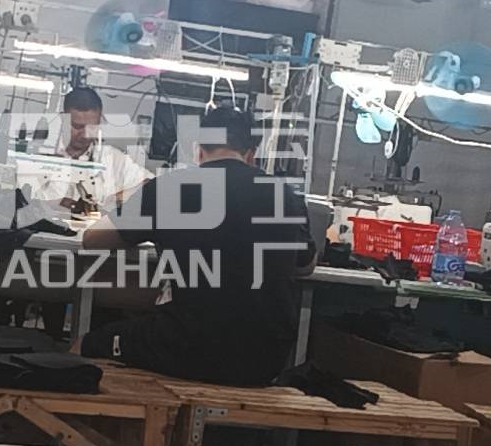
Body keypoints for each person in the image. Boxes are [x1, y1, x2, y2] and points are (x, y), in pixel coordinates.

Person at [76, 105, 315, 386]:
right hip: (266, 359)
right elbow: (306, 265)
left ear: (198, 150)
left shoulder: (170, 188)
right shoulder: (286, 196)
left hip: (188, 346)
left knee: (85, 345)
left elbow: (92, 240)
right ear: (252, 154)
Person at [32, 87, 151, 211]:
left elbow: (152, 183)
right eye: (77, 126)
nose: (85, 134)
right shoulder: (41, 155)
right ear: (63, 119)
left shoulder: (111, 158)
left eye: (92, 127)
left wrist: (118, 199)